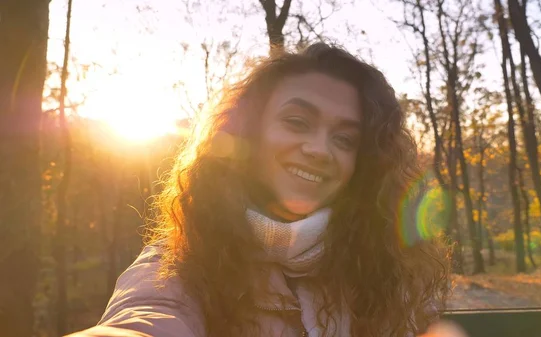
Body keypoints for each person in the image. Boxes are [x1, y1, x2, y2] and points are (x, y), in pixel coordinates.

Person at [69, 43, 453, 337]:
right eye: (297, 121)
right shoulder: (181, 260)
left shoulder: (383, 264)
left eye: (345, 139)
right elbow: (146, 316)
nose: (319, 149)